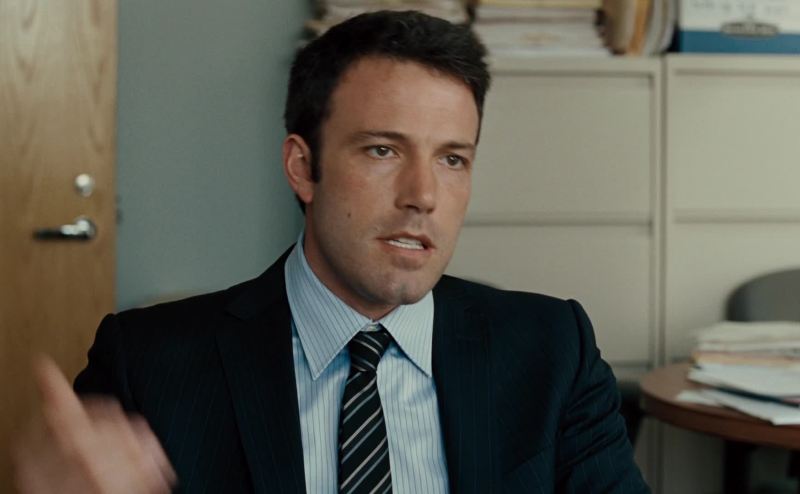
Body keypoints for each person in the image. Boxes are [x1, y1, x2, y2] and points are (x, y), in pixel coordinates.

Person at [12, 10, 650, 494]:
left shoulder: (552, 350)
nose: (423, 195)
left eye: (452, 159)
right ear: (302, 167)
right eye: (383, 150)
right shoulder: (150, 366)